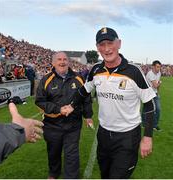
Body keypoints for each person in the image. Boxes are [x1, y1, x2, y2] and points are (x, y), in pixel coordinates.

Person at [64, 27, 156, 179]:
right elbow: (84, 90)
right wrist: (72, 105)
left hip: (127, 136)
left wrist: (147, 137)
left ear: (119, 44)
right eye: (102, 44)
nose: (106, 49)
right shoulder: (95, 69)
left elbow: (149, 104)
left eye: (110, 43)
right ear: (97, 47)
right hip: (104, 134)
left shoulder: (134, 71)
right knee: (105, 175)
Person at [35, 51, 93, 179]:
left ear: (69, 62)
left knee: (71, 154)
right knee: (53, 152)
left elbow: (86, 98)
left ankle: (71, 177)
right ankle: (54, 173)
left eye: (65, 59)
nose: (62, 62)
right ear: (53, 63)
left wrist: (88, 116)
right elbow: (39, 101)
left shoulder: (78, 78)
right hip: (52, 125)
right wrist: (58, 109)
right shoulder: (46, 79)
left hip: (73, 124)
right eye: (59, 59)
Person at [143, 60, 162, 131]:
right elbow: (155, 85)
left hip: (155, 93)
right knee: (146, 109)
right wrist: (159, 83)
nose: (158, 68)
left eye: (159, 67)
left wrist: (158, 93)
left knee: (158, 109)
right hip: (148, 93)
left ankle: (154, 125)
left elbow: (157, 86)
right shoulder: (150, 74)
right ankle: (144, 123)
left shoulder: (159, 73)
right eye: (157, 67)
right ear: (153, 67)